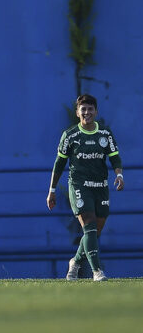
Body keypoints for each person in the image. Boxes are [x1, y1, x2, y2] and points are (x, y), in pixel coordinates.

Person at [46, 94, 124, 281]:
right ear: (77, 112)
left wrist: (119, 175)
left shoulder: (105, 134)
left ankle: (75, 261)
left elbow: (114, 157)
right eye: (83, 109)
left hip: (100, 186)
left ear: (96, 111)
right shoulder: (70, 135)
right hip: (79, 185)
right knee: (89, 227)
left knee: (95, 231)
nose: (87, 112)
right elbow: (59, 164)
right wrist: (52, 190)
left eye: (90, 109)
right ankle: (97, 271)